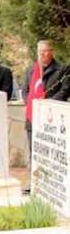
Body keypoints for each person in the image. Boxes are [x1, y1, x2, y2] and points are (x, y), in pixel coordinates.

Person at [22, 40, 70, 193]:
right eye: (40, 51)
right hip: (33, 118)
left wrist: (46, 105)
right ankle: (33, 183)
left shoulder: (63, 69)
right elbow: (25, 91)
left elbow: (64, 91)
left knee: (51, 155)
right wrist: (31, 104)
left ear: (52, 51)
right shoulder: (31, 70)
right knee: (33, 152)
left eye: (46, 51)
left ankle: (51, 186)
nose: (42, 54)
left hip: (52, 120)